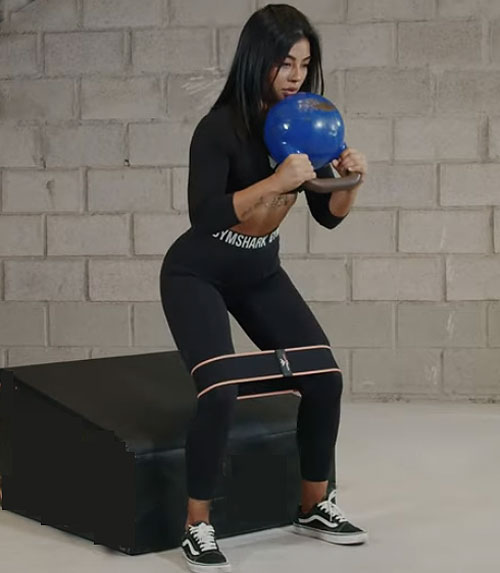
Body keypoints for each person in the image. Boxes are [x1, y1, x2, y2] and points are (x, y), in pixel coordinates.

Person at [160, 4, 368, 572]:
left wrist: (351, 180)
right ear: (258, 60)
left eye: (303, 63)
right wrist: (275, 180)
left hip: (259, 272)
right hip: (197, 272)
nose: (296, 75)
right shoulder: (219, 129)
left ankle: (313, 506)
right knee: (220, 391)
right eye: (284, 63)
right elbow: (204, 216)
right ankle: (196, 527)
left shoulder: (302, 121)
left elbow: (328, 217)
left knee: (324, 379)